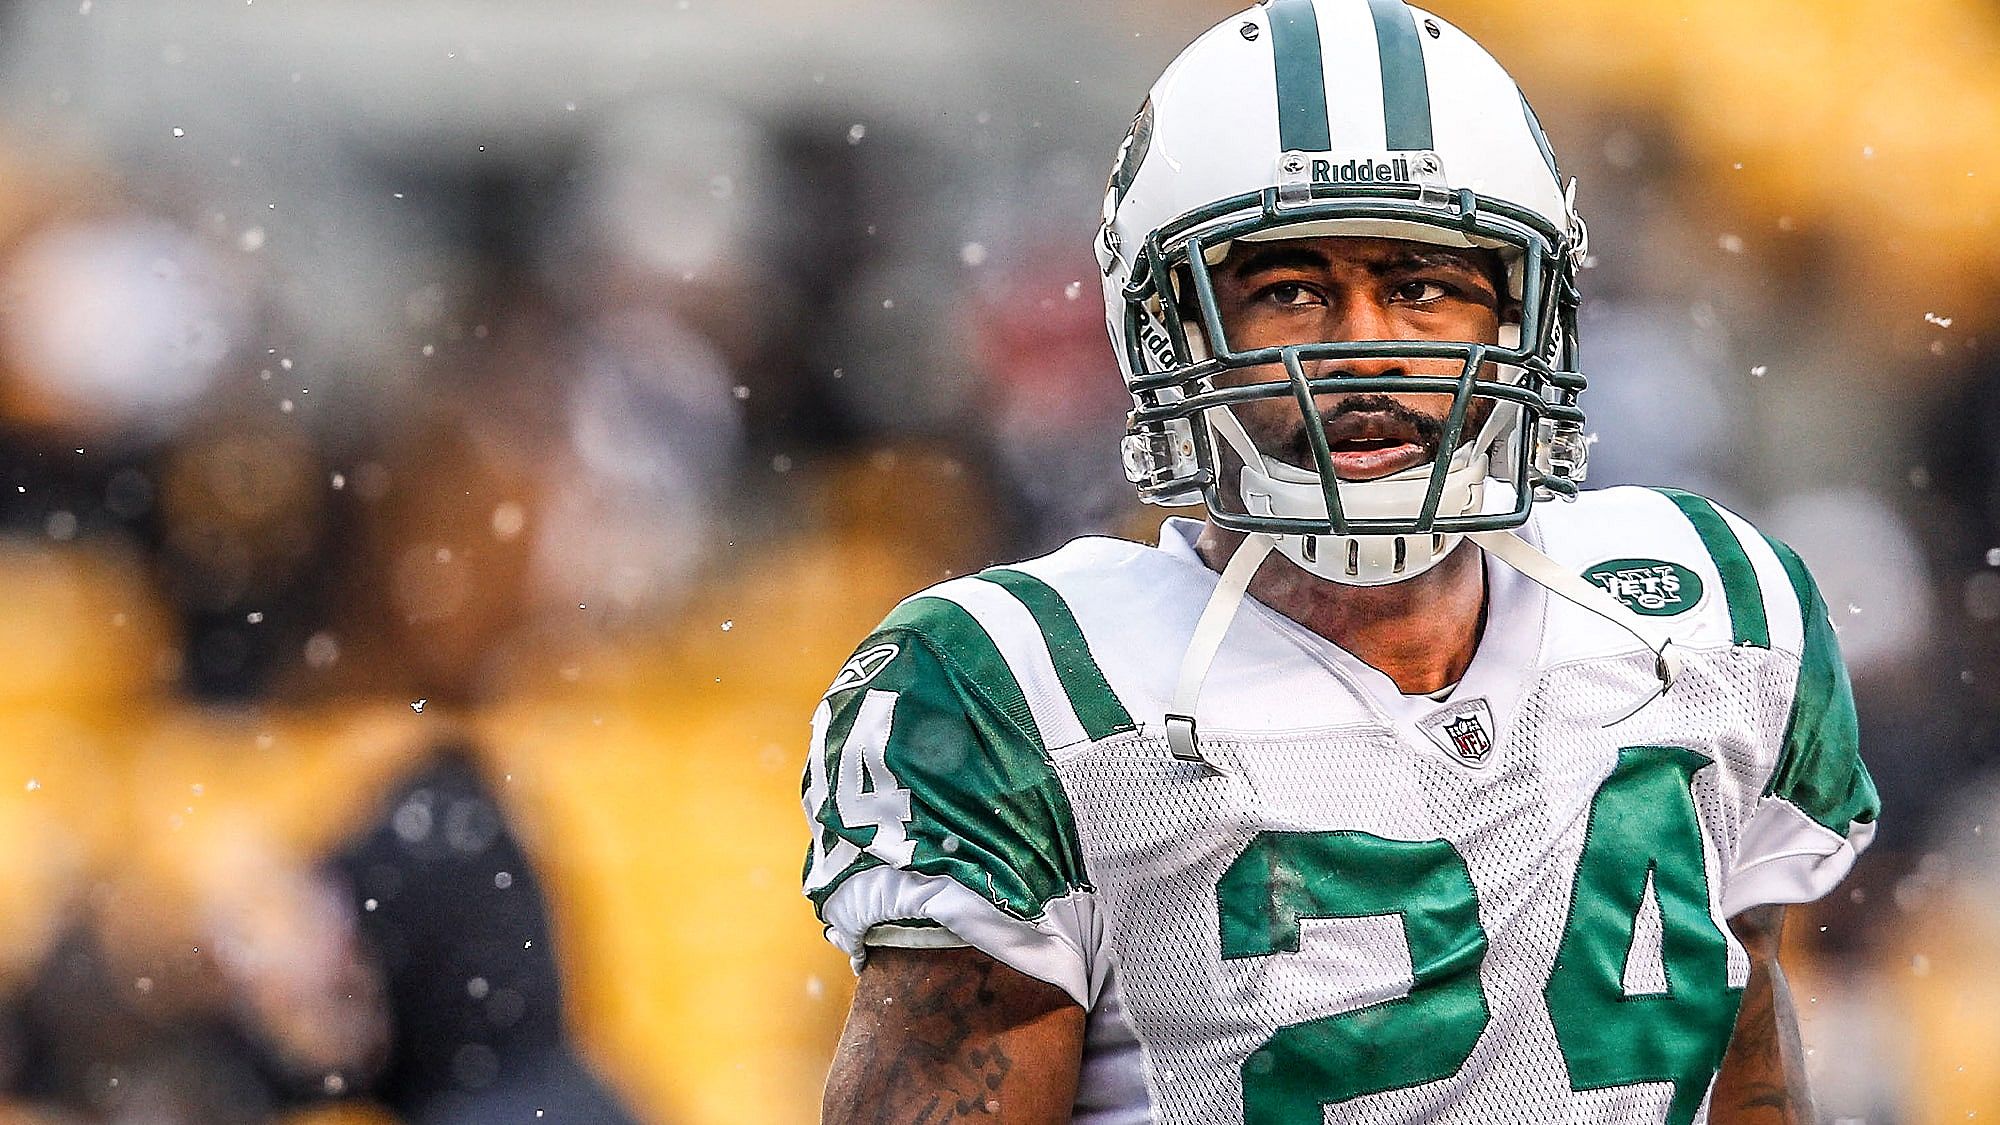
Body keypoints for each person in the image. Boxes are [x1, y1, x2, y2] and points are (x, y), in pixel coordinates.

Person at [801, 1, 1880, 1121]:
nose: (1363, 346)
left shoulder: (1711, 617)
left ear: (1524, 311)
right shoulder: (1020, 687)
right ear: (1168, 328)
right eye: (1288, 290)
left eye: (1422, 286)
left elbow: (1740, 1056)